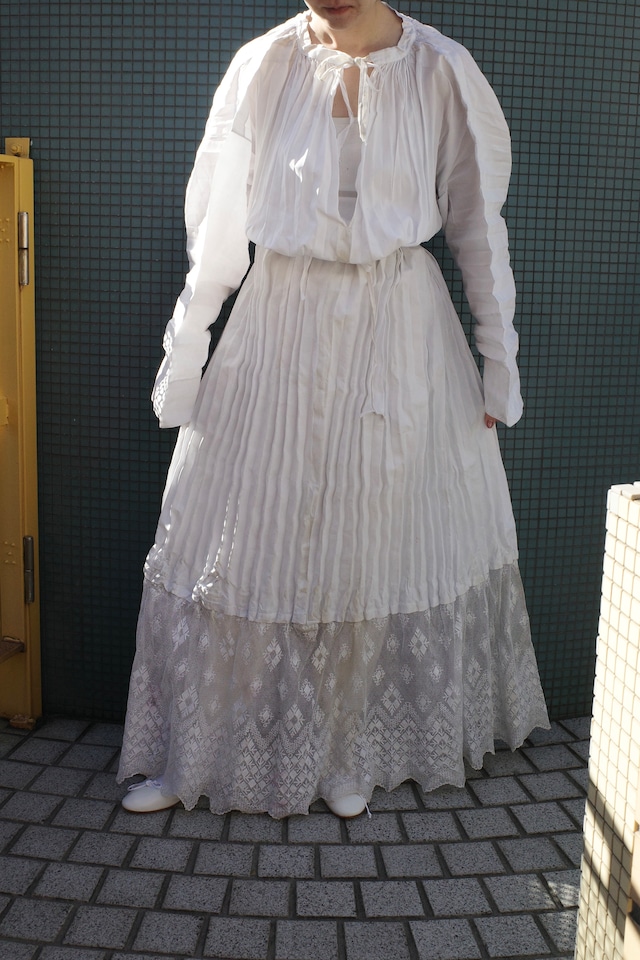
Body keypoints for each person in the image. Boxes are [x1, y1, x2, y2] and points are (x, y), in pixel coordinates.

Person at [117, 0, 550, 818]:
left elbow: (477, 226)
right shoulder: (264, 65)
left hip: (399, 330)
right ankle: (198, 750)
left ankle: (348, 752)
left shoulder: (442, 70)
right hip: (277, 320)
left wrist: (500, 368)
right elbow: (218, 230)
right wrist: (187, 356)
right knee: (232, 535)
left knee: (372, 541)